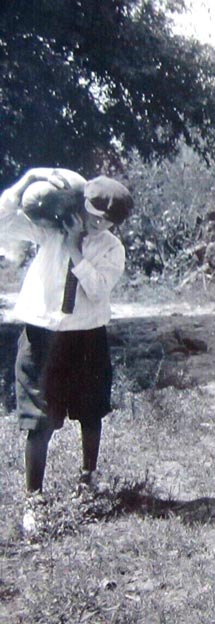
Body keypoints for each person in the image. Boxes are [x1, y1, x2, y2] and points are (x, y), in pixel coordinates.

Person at [0, 169, 132, 534]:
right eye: (91, 213)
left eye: (105, 221)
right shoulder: (50, 230)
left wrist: (77, 248)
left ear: (115, 225)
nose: (95, 222)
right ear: (80, 204)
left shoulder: (110, 248)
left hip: (86, 337)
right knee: (38, 417)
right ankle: (34, 499)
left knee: (91, 412)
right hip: (42, 334)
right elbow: (5, 222)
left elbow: (98, 288)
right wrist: (26, 181)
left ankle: (87, 480)